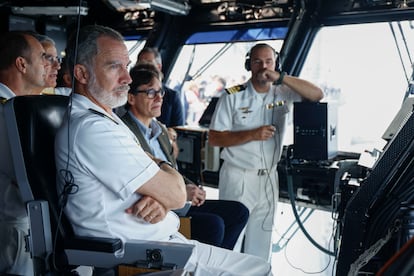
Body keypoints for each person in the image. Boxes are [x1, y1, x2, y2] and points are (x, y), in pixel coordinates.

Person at [54, 24, 272, 275]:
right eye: (114, 66)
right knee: (258, 270)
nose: (126, 78)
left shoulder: (106, 119)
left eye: (126, 66)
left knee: (258, 264)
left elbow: (167, 192)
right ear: (81, 73)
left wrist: (161, 193)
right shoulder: (92, 129)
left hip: (160, 240)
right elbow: (176, 195)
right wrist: (162, 174)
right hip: (138, 256)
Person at [208, 43, 324, 262]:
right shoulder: (233, 96)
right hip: (238, 176)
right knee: (231, 243)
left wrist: (280, 77)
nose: (263, 67)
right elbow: (215, 138)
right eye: (257, 61)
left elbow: (317, 94)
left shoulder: (284, 92)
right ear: (248, 65)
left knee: (262, 243)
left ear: (276, 63)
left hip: (269, 177)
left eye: (268, 61)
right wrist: (251, 134)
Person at [121, 62, 249, 250]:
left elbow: (171, 169)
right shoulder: (124, 132)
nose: (158, 98)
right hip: (154, 205)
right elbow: (136, 179)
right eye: (150, 93)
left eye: (160, 92)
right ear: (131, 98)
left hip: (179, 198)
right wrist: (180, 193)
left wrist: (190, 186)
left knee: (238, 212)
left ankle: (212, 267)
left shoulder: (161, 131)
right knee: (213, 225)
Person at [0, 30, 48, 276]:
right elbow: (26, 178)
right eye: (42, 57)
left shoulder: (17, 108)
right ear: (21, 64)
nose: (47, 65)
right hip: (13, 228)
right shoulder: (7, 113)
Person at [137, 47, 184, 127]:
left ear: (158, 67)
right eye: (140, 64)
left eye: (148, 63)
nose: (143, 68)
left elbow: (179, 130)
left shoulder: (172, 96)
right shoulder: (129, 92)